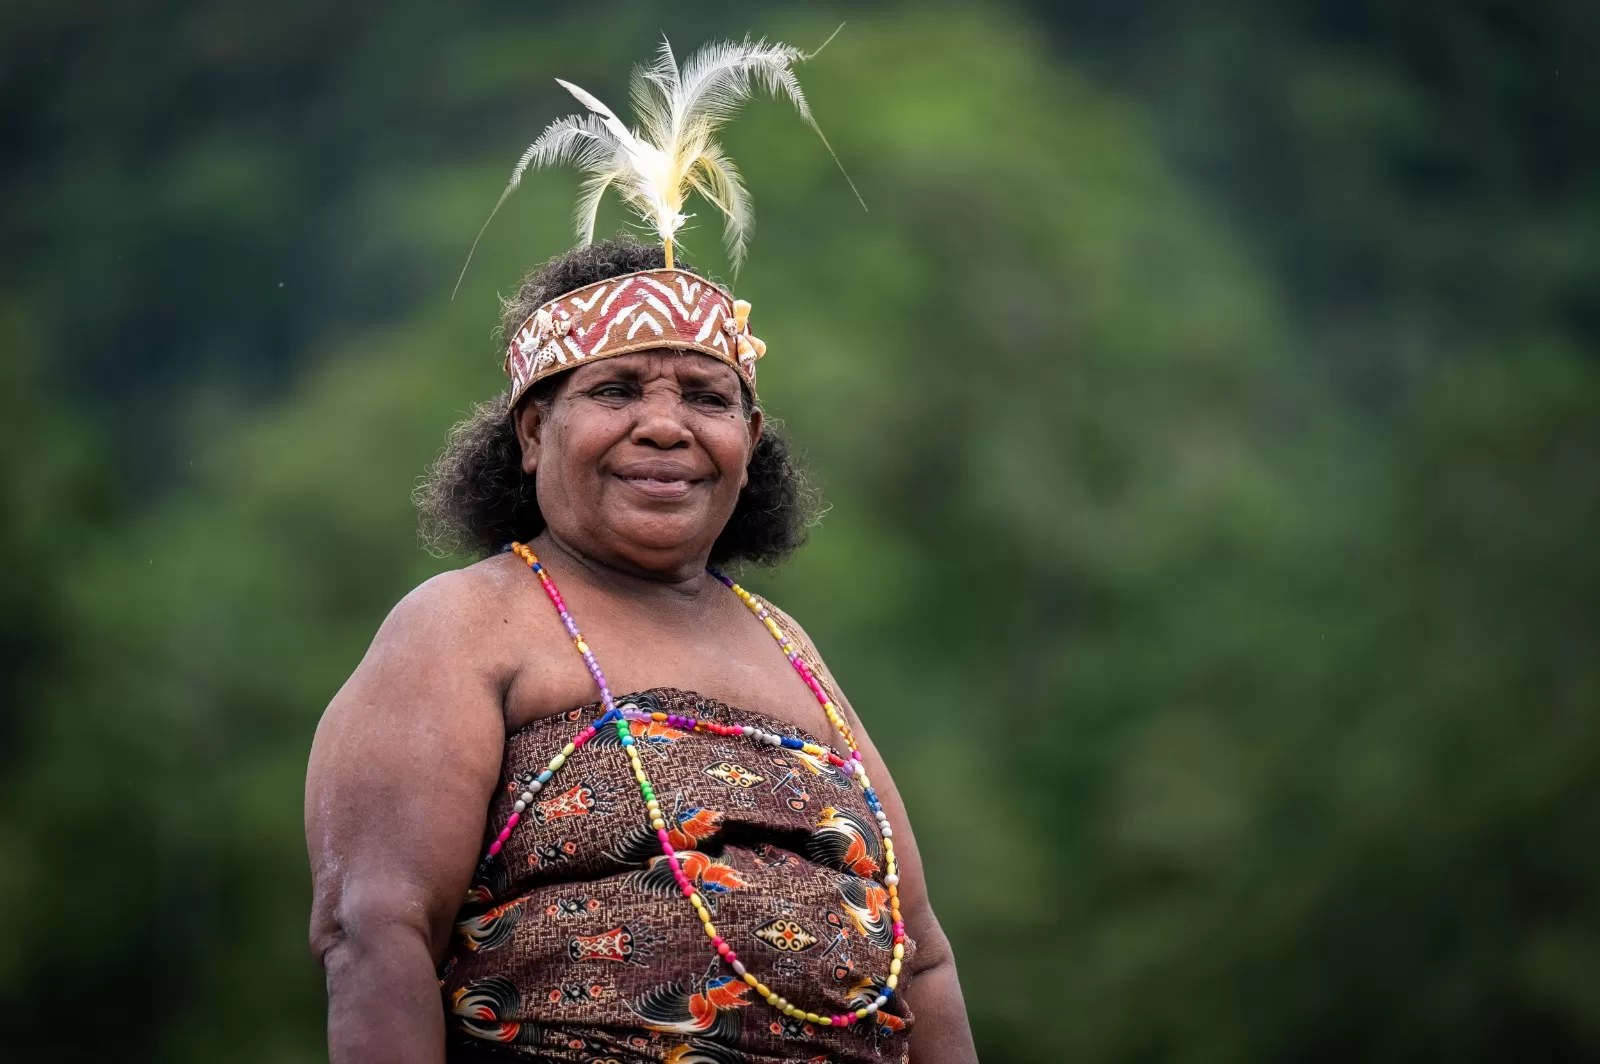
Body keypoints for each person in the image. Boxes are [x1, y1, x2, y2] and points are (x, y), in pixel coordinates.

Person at [305, 37, 976, 1064]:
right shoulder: (465, 625)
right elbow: (374, 927)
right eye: (616, 391)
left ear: (749, 447)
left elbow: (921, 961)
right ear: (532, 435)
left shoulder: (787, 647)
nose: (666, 426)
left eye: (706, 398)